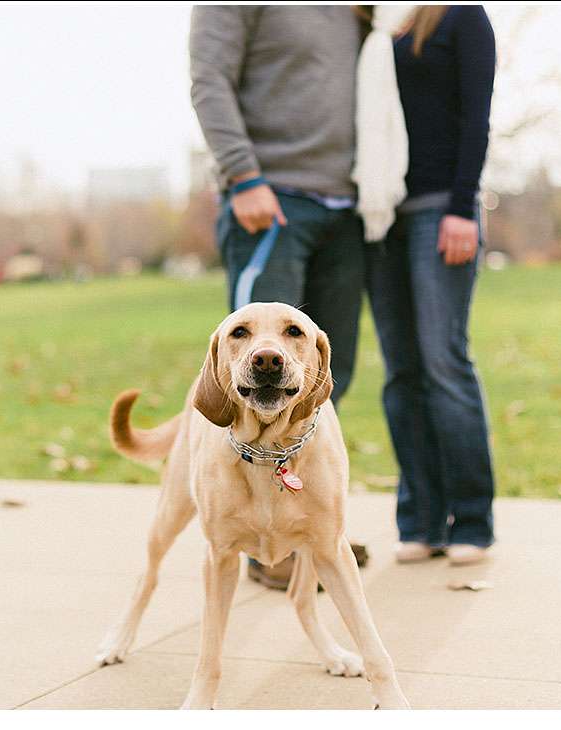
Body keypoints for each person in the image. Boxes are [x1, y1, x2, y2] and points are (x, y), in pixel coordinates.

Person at [190, 6, 369, 589]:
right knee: (253, 369)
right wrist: (242, 175)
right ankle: (259, 542)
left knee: (320, 379)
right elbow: (209, 77)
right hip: (268, 201)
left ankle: (308, 524)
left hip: (346, 209)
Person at [363, 5, 497, 566]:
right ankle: (419, 518)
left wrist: (463, 206)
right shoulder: (371, 21)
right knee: (402, 373)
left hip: (441, 208)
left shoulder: (461, 15)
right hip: (377, 213)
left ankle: (470, 519)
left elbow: (476, 115)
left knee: (443, 361)